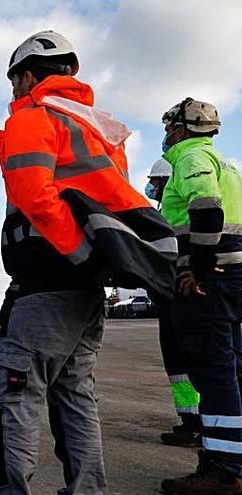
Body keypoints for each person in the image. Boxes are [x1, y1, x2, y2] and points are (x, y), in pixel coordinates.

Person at [0, 30, 160, 495]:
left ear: (27, 77)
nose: (13, 93)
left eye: (13, 82)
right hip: (88, 291)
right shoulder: (99, 128)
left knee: (14, 397)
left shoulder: (34, 116)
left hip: (46, 281)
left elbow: (36, 197)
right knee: (76, 397)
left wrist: (77, 256)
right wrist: (92, 266)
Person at [158, 98, 242, 495]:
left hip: (213, 280)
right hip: (234, 275)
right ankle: (230, 460)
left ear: (181, 129)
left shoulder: (191, 159)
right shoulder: (226, 163)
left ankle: (223, 471)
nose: (166, 136)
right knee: (233, 371)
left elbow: (207, 209)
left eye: (168, 128)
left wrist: (200, 267)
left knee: (214, 373)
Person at [147, 158, 203, 448]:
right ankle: (192, 421)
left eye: (155, 182)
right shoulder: (171, 208)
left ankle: (196, 424)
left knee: (183, 359)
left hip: (177, 295)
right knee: (180, 362)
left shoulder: (175, 210)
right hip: (173, 295)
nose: (151, 187)